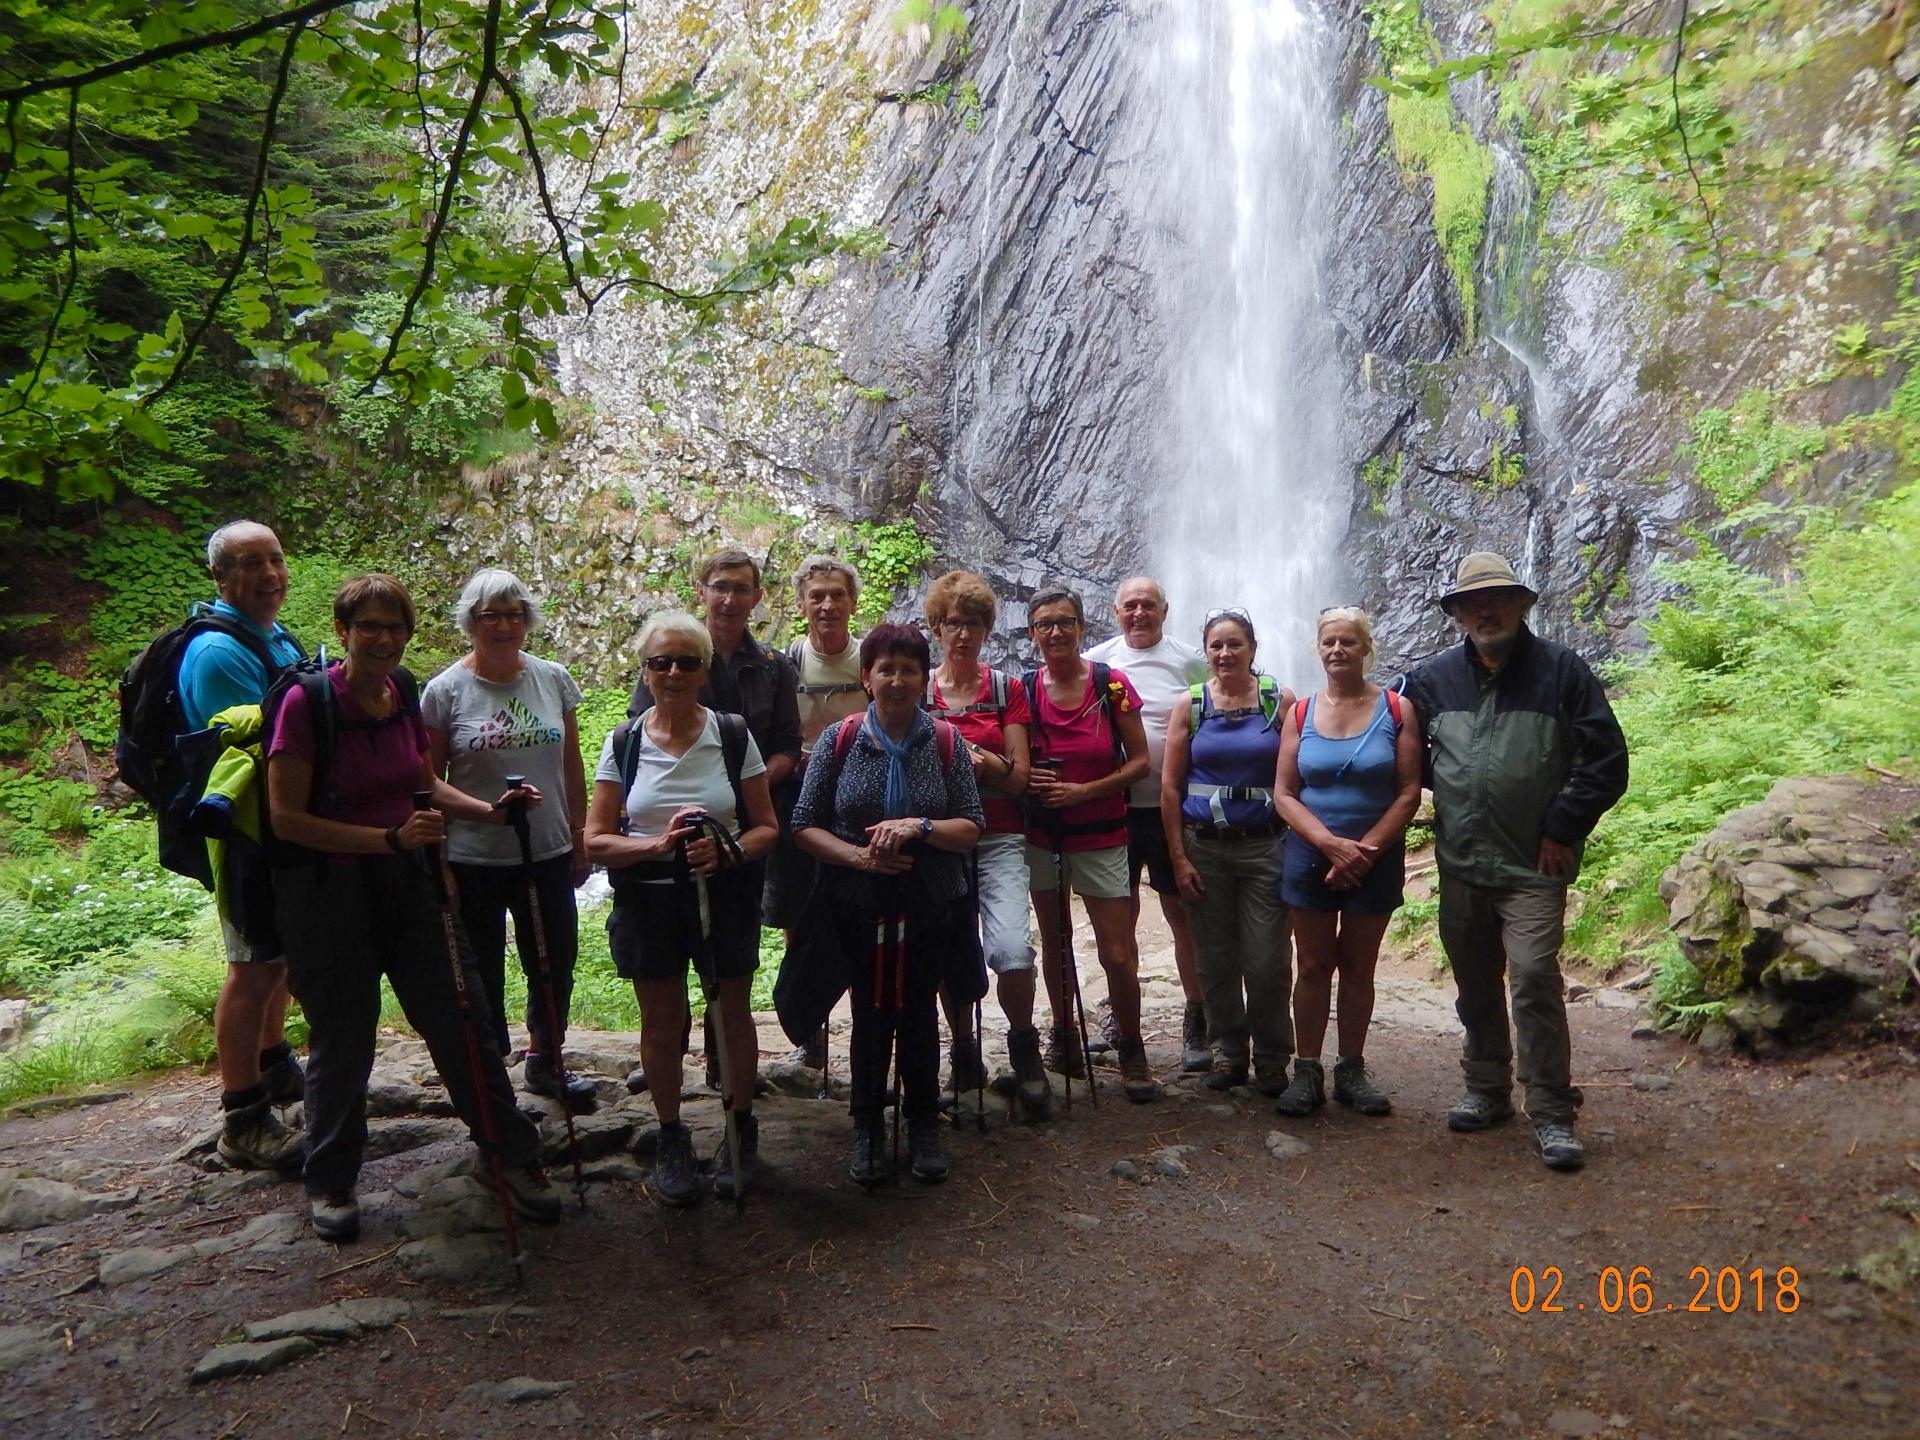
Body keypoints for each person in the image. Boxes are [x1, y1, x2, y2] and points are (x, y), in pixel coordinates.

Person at [265, 574, 561, 1241]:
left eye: (394, 627)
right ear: (342, 632)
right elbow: (285, 818)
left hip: (409, 885)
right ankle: (332, 1177)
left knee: (462, 1018)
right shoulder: (306, 705)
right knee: (345, 1036)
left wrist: (487, 809)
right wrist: (388, 839)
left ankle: (509, 1155)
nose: (383, 638)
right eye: (368, 626)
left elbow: (422, 781)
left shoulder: (401, 691)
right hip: (326, 894)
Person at [1404, 553, 1628, 1172]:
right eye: (1472, 602)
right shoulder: (1433, 679)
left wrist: (1562, 824)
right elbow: (1399, 751)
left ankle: (1553, 1111)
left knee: (1531, 976)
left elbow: (1606, 760)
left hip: (1533, 862)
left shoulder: (1561, 670)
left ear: (1522, 604)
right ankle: (1486, 1087)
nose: (1486, 609)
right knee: (1475, 979)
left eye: (1498, 598)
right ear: (1456, 614)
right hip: (1461, 860)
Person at [585, 612, 779, 1206]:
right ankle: (672, 1137)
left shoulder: (732, 733)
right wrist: (656, 846)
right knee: (661, 1019)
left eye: (687, 662)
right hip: (649, 898)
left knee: (732, 1014)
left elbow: (767, 827)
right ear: (644, 670)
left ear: (705, 669)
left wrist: (725, 854)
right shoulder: (625, 741)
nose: (673, 672)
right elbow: (595, 840)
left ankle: (739, 1130)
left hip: (722, 891)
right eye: (660, 662)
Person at [791, 624, 984, 1185]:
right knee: (870, 1011)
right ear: (865, 677)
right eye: (886, 669)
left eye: (908, 669)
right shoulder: (841, 739)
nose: (897, 680)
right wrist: (860, 859)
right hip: (858, 901)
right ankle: (867, 1125)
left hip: (929, 901)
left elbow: (972, 825)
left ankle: (923, 1122)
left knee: (919, 1009)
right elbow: (804, 825)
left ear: (924, 679)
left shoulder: (945, 741)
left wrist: (918, 825)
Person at [627, 549, 800, 1088]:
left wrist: (746, 787)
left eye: (742, 588)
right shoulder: (669, 653)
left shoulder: (773, 667)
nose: (730, 599)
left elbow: (787, 745)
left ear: (758, 597)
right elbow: (640, 732)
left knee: (728, 956)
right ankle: (668, 1061)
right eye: (720, 586)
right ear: (700, 590)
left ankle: (726, 1063)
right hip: (672, 830)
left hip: (743, 827)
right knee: (667, 954)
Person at [423, 569, 592, 1109]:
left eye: (514, 614)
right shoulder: (445, 690)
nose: (503, 625)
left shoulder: (552, 679)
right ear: (471, 621)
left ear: (528, 620)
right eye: (490, 615)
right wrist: (439, 859)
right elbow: (426, 781)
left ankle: (547, 1057)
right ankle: (489, 1074)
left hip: (547, 847)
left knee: (554, 957)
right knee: (482, 966)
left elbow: (571, 764)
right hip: (474, 854)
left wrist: (580, 835)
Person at [179, 520, 307, 1172]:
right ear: (222, 579)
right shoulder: (218, 652)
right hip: (247, 836)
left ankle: (274, 1062)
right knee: (252, 968)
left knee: (275, 959)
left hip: (276, 829)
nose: (269, 575)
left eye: (275, 560)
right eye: (251, 564)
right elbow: (258, 750)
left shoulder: (271, 636)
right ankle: (243, 1117)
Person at [1271, 607, 1423, 1118]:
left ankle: (1351, 1069)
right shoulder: (1299, 713)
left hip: (1375, 857)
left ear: (1366, 648)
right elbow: (1285, 793)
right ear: (1318, 649)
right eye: (1329, 642)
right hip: (1309, 855)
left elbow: (1407, 792)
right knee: (1313, 966)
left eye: (1349, 642)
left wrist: (1364, 851)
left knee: (1359, 968)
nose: (1338, 650)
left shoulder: (1397, 709)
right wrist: (1330, 845)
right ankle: (1306, 1069)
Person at [1023, 584, 1156, 1103]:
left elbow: (1140, 761)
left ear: (1081, 626)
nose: (1056, 632)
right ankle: (1064, 1035)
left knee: (1118, 952)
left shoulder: (1110, 683)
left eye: (1065, 622)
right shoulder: (1024, 690)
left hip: (1101, 833)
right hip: (1044, 834)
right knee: (1055, 944)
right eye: (1044, 625)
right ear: (1032, 634)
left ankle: (1130, 1043)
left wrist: (1084, 790)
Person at [1160, 610, 1296, 1095]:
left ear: (1253, 649)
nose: (1225, 654)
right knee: (1214, 959)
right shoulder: (1190, 705)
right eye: (1216, 646)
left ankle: (1275, 1057)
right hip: (1205, 847)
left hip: (1266, 847)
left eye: (1235, 644)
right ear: (1206, 651)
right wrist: (1178, 857)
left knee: (1266, 960)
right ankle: (1228, 1051)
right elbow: (1171, 788)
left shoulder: (1279, 702)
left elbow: (1297, 779)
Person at [923, 571, 1042, 1113]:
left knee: (1012, 949)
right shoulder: (920, 690)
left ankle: (1024, 1045)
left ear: (987, 630)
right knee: (952, 948)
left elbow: (1019, 777)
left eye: (973, 624)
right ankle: (964, 1050)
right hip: (941, 839)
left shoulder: (1005, 690)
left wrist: (983, 760)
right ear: (937, 628)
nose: (963, 634)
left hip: (999, 836)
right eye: (953, 624)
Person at [1083, 577, 1211, 1072]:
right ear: (1116, 612)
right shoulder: (1099, 661)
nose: (1139, 614)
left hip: (1170, 809)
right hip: (1114, 807)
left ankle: (1197, 1017)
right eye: (1130, 606)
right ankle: (1120, 1017)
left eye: (1148, 606)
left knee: (1183, 916)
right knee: (1121, 920)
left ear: (1165, 609)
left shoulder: (1190, 660)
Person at [770, 556, 868, 1067]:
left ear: (853, 601)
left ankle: (863, 1028)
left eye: (837, 595)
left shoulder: (870, 660)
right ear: (802, 603)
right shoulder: (786, 663)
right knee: (800, 914)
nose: (827, 605)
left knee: (860, 912)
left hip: (860, 803)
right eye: (817, 596)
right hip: (800, 799)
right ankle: (811, 1033)